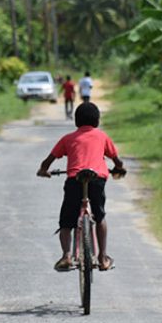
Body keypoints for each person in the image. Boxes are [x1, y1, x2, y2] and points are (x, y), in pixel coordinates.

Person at [37, 102, 125, 272]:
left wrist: (43, 170)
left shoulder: (68, 138)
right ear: (97, 120)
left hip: (74, 180)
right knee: (99, 216)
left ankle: (66, 256)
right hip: (96, 179)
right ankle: (102, 257)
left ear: (76, 121)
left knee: (66, 220)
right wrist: (120, 169)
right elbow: (116, 160)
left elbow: (48, 160)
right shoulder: (102, 136)